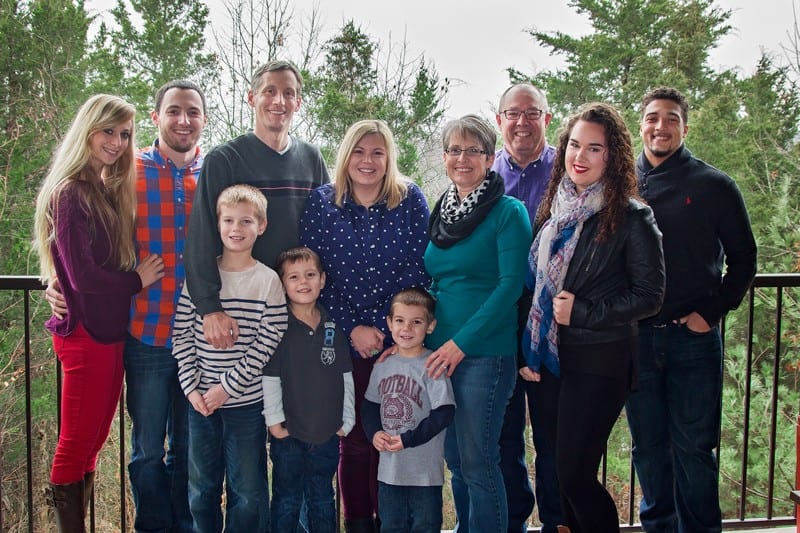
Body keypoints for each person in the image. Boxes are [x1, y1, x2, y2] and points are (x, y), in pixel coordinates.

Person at [45, 80, 207, 532]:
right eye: (173, 110)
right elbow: (75, 239)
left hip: (198, 339)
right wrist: (55, 281)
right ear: (156, 118)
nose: (183, 120)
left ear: (203, 120)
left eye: (192, 112)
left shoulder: (214, 173)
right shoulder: (124, 171)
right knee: (147, 451)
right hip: (144, 332)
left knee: (188, 451)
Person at [522, 102, 665, 533]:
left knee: (573, 474)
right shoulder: (555, 209)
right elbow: (535, 286)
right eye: (574, 145)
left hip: (600, 359)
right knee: (558, 470)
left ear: (612, 156)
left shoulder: (633, 217)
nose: (579, 156)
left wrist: (582, 312)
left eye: (594, 148)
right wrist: (528, 349)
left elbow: (650, 296)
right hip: (550, 359)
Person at [625, 87, 757, 533]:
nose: (660, 126)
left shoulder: (714, 185)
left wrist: (711, 313)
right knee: (648, 449)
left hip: (693, 340)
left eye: (671, 118)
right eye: (652, 118)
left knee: (694, 450)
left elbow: (745, 261)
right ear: (641, 124)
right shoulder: (621, 183)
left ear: (685, 126)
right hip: (637, 339)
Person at [33, 94, 165, 532]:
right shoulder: (69, 192)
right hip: (85, 335)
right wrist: (136, 281)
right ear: (87, 130)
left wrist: (59, 282)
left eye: (125, 134)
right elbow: (83, 275)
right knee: (75, 445)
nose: (117, 142)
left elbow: (71, 269)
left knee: (93, 443)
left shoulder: (103, 189)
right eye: (109, 131)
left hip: (109, 334)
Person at [299, 119, 430, 533]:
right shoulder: (322, 203)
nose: (367, 160)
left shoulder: (410, 200)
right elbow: (314, 275)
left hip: (398, 342)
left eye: (377, 152)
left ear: (389, 157)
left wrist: (383, 329)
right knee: (354, 441)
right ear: (345, 155)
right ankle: (358, 523)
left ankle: (394, 523)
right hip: (341, 341)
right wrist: (354, 328)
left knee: (394, 438)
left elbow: (417, 269)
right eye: (358, 151)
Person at [424, 114, 532, 532]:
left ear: (490, 158)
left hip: (484, 354)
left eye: (473, 150)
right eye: (454, 150)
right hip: (440, 352)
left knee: (479, 462)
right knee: (455, 460)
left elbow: (510, 287)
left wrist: (461, 344)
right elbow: (437, 281)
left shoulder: (508, 212)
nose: (462, 158)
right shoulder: (442, 212)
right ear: (445, 157)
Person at [185, 59, 329, 351]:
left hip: (300, 305)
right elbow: (201, 236)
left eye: (288, 93)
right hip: (242, 308)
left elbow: (328, 233)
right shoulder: (225, 159)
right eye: (269, 91)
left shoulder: (311, 158)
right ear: (252, 98)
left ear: (298, 102)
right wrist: (209, 307)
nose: (279, 101)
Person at [172, 184, 288, 532]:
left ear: (261, 226)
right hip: (201, 405)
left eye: (246, 221)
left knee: (248, 492)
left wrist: (227, 387)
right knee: (201, 490)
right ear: (217, 224)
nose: (236, 228)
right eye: (229, 220)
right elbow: (181, 334)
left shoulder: (268, 281)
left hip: (246, 404)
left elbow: (268, 341)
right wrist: (192, 388)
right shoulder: (201, 278)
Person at [493, 83, 563, 533]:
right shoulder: (484, 174)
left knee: (554, 436)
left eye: (532, 113)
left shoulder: (568, 170)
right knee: (503, 436)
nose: (522, 122)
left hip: (555, 324)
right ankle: (511, 521)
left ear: (546, 119)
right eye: (513, 113)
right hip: (500, 320)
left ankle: (557, 521)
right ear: (499, 120)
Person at [262, 246, 356, 533]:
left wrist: (347, 418)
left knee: (322, 497)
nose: (303, 282)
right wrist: (274, 421)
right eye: (294, 277)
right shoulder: (278, 326)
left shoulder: (333, 327)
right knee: (287, 499)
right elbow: (270, 377)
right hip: (288, 432)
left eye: (310, 275)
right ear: (282, 284)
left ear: (322, 280)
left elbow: (346, 375)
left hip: (326, 431)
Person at [361, 287, 456, 533]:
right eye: (400, 321)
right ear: (389, 323)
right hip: (389, 473)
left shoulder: (433, 364)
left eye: (416, 322)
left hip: (424, 473)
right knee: (391, 526)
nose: (407, 328)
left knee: (425, 526)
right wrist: (374, 433)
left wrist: (408, 439)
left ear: (430, 326)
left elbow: (444, 413)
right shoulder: (382, 364)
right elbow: (370, 406)